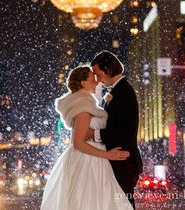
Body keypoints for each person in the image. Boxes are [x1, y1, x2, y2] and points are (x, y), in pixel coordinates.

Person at [41, 65, 133, 210]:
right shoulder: (83, 106)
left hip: (90, 158)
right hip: (89, 161)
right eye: (92, 79)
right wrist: (108, 154)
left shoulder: (84, 103)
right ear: (83, 83)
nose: (97, 82)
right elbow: (77, 142)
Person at [89, 51, 143, 209]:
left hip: (123, 161)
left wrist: (93, 134)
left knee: (123, 204)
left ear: (108, 70)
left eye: (99, 75)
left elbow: (122, 131)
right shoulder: (118, 90)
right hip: (121, 161)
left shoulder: (123, 92)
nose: (98, 80)